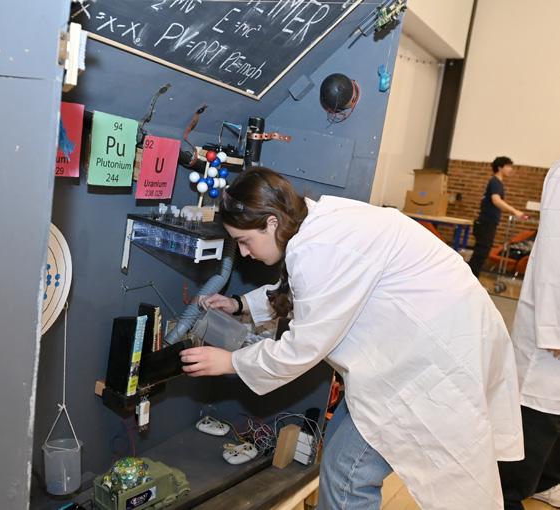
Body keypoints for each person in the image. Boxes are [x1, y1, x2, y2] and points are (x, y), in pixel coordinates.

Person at [180, 167, 523, 509]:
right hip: (420, 348)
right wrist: (240, 304)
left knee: (348, 474)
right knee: (339, 456)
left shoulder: (318, 248)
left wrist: (231, 362)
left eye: (244, 241)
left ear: (271, 223)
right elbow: (312, 291)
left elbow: (302, 348)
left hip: (430, 362)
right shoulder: (315, 224)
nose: (243, 253)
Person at [499, 160, 560, 509]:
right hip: (550, 329)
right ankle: (505, 496)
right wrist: (556, 329)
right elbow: (555, 249)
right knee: (539, 413)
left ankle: (545, 481)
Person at [468, 156, 527, 277]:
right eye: (508, 166)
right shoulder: (495, 182)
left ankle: (470, 279)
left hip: (488, 223)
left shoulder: (497, 182)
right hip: (486, 223)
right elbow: (496, 200)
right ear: (500, 167)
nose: (510, 169)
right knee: (480, 253)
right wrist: (515, 211)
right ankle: (469, 279)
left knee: (481, 253)